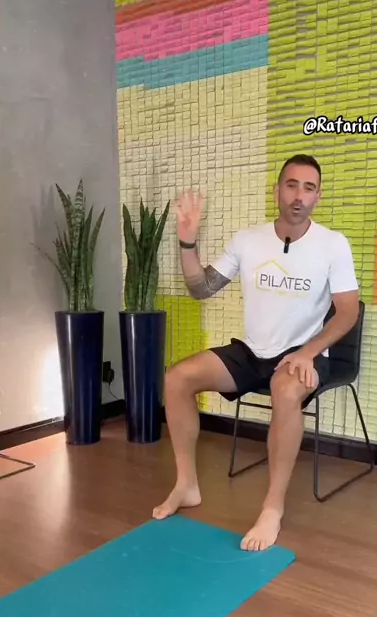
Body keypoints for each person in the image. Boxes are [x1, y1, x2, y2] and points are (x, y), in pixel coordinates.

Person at [153, 154, 360, 551]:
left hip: (302, 351)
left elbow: (348, 312)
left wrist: (308, 353)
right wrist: (187, 242)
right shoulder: (248, 240)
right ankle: (186, 485)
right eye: (292, 185)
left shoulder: (333, 244)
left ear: (317, 197)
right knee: (176, 378)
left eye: (309, 188)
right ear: (277, 190)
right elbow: (201, 289)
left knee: (285, 391)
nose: (299, 195)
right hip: (252, 351)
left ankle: (272, 508)